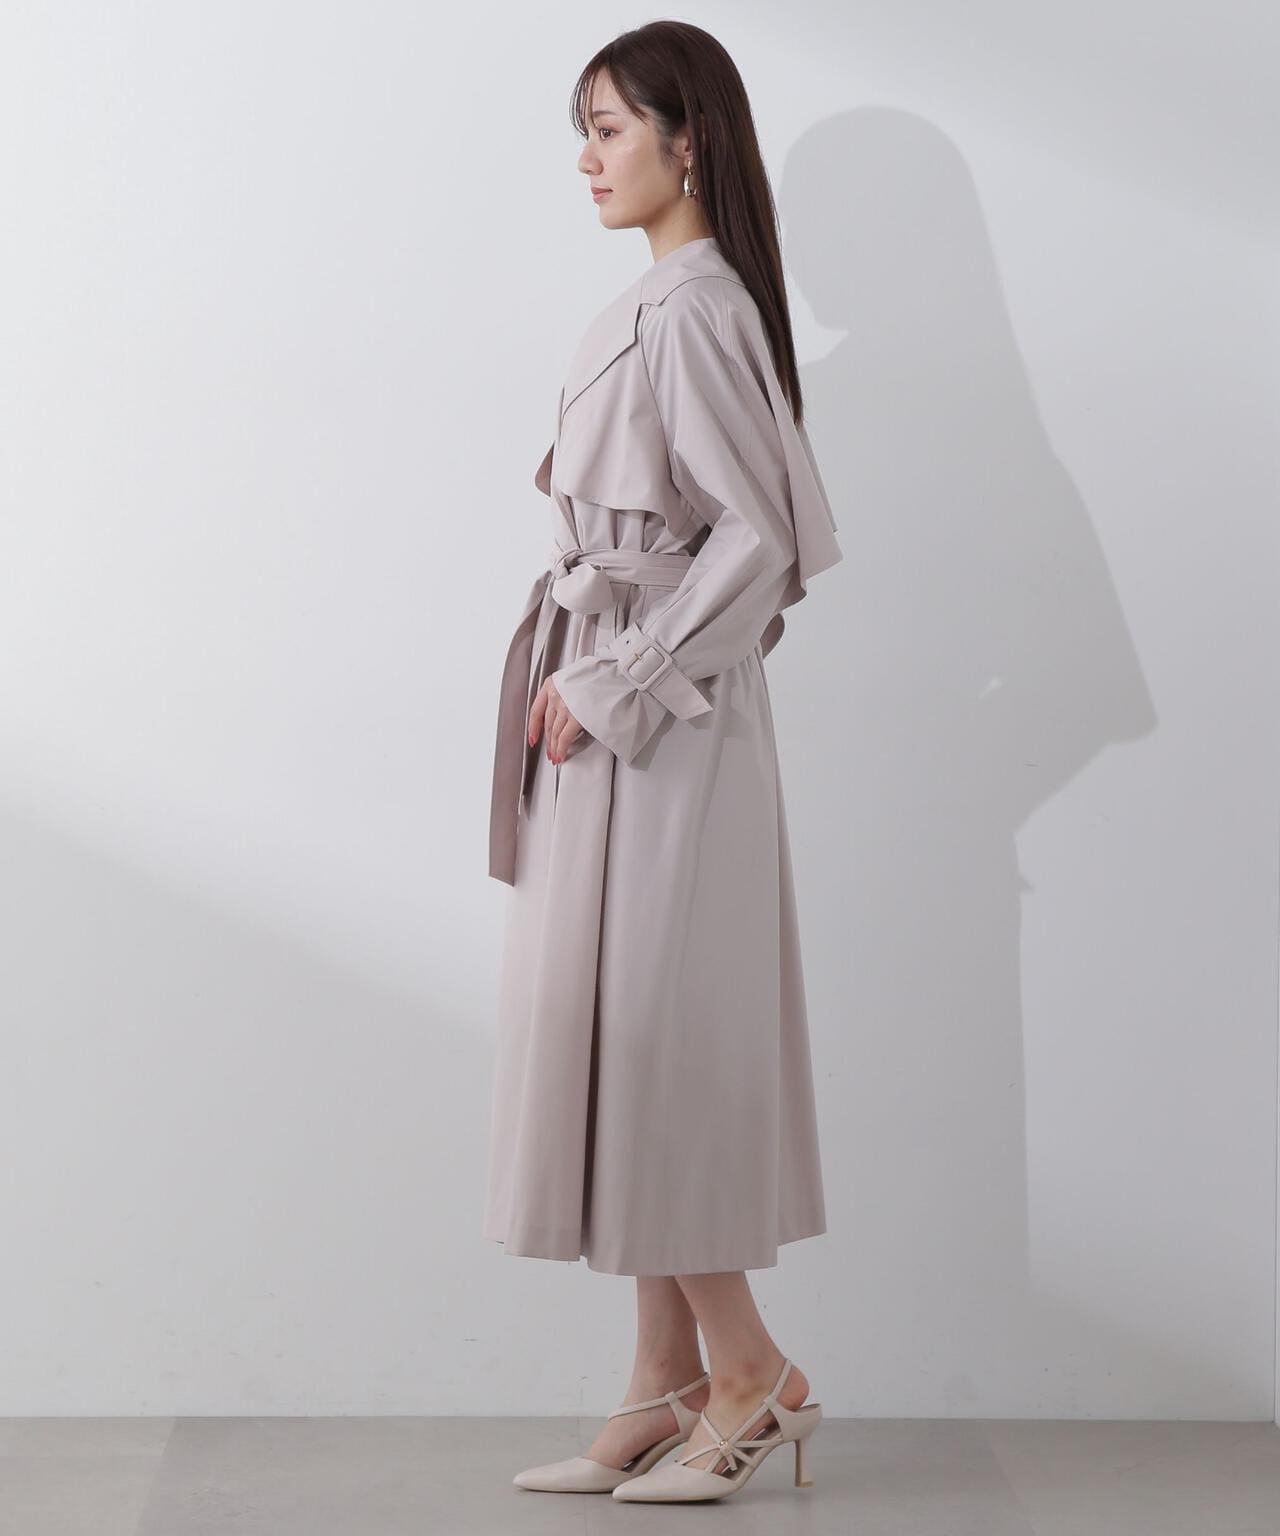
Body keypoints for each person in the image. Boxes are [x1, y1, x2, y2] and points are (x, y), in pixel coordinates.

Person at [484, 21, 843, 1504]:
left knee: (653, 1044)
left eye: (609, 128)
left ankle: (753, 1376)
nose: (586, 159)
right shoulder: (660, 303)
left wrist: (618, 674)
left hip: (661, 731)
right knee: (616, 1044)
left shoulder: (694, 312)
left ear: (688, 140)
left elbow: (763, 539)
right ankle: (662, 1377)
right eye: (582, 130)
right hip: (623, 713)